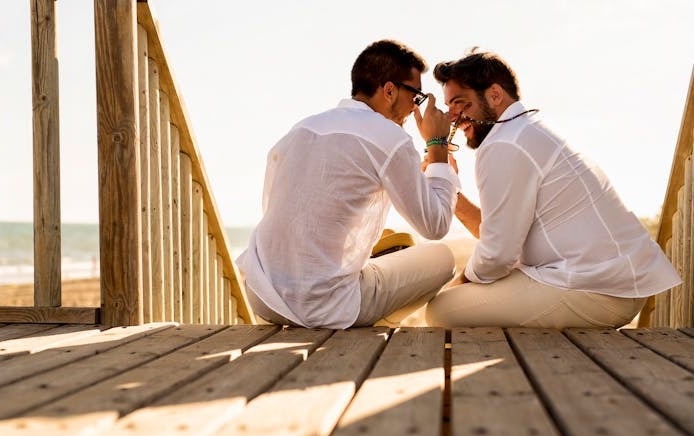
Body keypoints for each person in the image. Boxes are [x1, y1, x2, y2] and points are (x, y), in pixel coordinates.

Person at [425, 49, 681, 328]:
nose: (453, 118)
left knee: (442, 310)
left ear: (495, 95)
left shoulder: (505, 143)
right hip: (614, 285)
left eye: (461, 104)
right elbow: (498, 235)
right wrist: (451, 190)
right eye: (450, 108)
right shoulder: (524, 131)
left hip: (597, 290)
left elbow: (498, 255)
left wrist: (460, 283)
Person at [236, 40, 460, 329]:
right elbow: (436, 225)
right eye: (416, 96)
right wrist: (437, 145)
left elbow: (280, 208)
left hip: (263, 295)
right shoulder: (391, 138)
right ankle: (370, 330)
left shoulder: (300, 129)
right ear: (390, 90)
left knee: (382, 248)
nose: (414, 109)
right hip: (324, 305)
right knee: (442, 258)